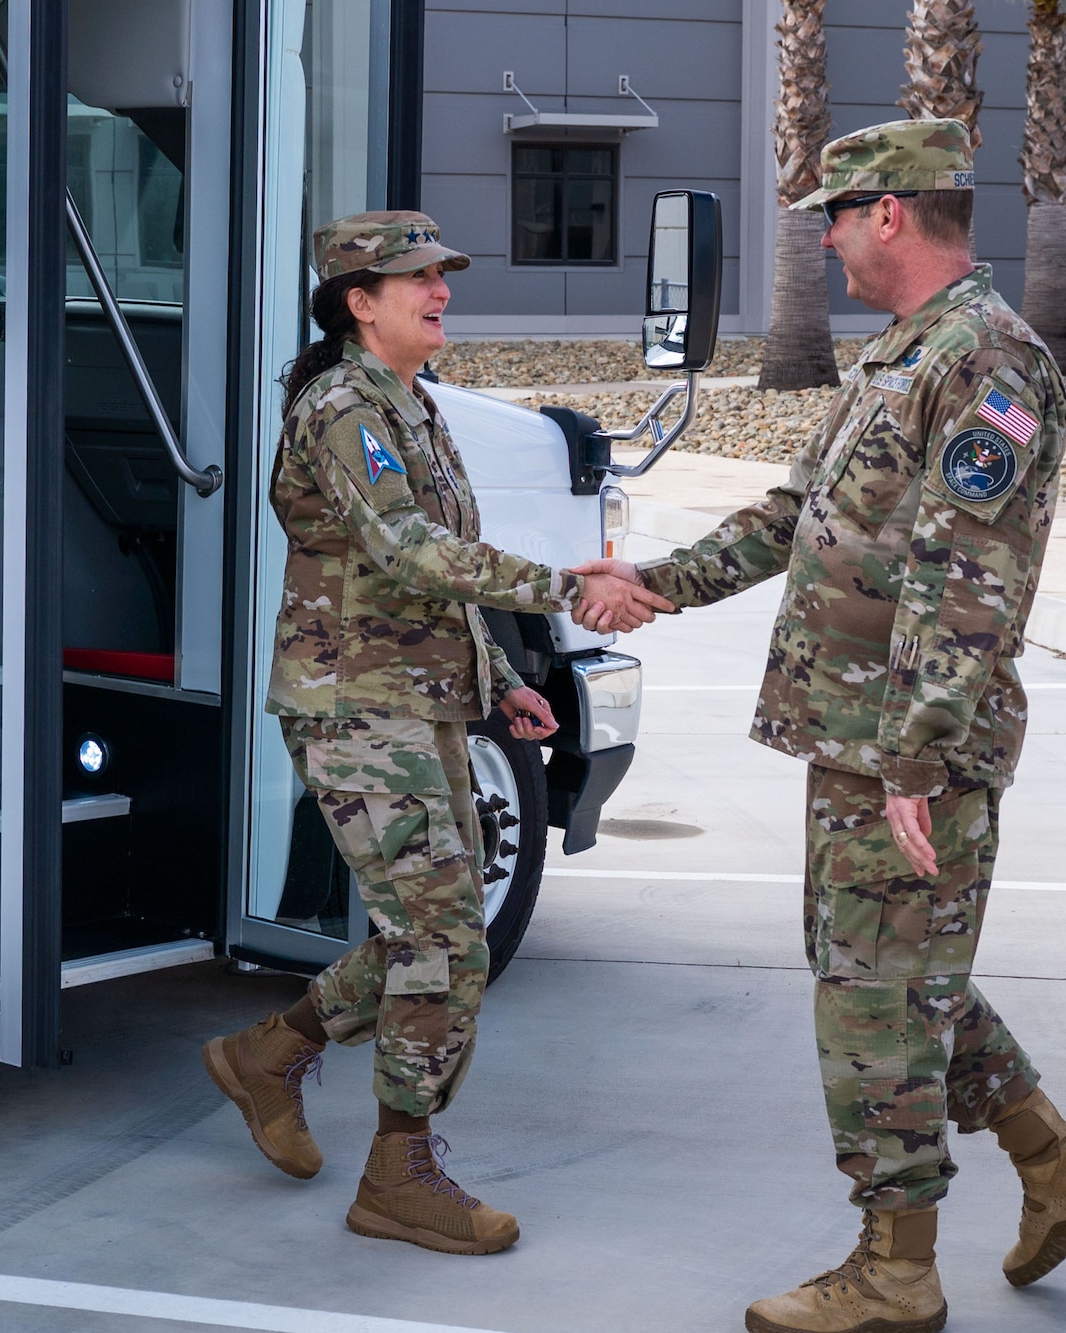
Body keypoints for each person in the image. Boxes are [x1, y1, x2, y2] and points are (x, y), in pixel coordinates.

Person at [573, 121, 1066, 1331]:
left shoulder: (985, 357)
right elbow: (796, 515)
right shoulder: (906, 352)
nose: (822, 241)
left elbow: (961, 576)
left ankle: (893, 1272)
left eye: (833, 215)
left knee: (872, 993)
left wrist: (915, 757)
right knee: (899, 973)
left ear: (889, 213)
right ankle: (1054, 1162)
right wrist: (653, 580)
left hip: (902, 745)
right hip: (860, 736)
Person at [201, 210, 670, 1256]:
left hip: (423, 702)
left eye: (440, 273)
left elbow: (443, 558)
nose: (438, 289)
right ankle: (396, 1172)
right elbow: (406, 547)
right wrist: (560, 584)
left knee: (436, 933)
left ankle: (269, 1053)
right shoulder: (340, 407)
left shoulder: (409, 403)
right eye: (416, 277)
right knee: (445, 938)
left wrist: (502, 676)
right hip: (354, 706)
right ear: (359, 302)